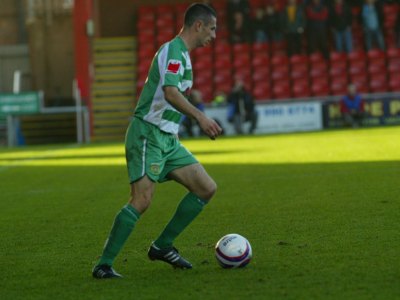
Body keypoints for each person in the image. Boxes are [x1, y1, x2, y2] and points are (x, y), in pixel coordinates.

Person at [92, 3, 222, 279]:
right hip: (147, 135)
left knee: (206, 188)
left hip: (167, 139)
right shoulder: (173, 51)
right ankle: (104, 264)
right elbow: (171, 93)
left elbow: (169, 98)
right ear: (198, 25)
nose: (214, 35)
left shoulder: (183, 57)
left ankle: (162, 246)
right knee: (142, 200)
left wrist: (179, 123)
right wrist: (200, 117)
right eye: (211, 28)